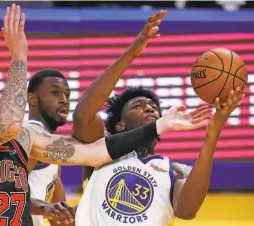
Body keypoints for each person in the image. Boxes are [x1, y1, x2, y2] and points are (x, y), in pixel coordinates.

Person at [0, 5, 212, 226]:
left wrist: (159, 127)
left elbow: (93, 153)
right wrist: (19, 55)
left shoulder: (26, 137)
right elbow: (6, 126)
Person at [72, 10, 244, 226]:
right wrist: (130, 54)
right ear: (120, 124)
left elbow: (187, 210)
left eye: (154, 107)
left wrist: (213, 132)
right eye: (138, 105)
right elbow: (81, 116)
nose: (149, 109)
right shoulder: (99, 151)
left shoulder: (172, 170)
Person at [26, 69, 75, 226]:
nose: (64, 100)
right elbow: (5, 193)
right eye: (55, 93)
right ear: (33, 99)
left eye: (67, 95)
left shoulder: (50, 147)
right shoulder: (28, 136)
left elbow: (62, 220)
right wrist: (44, 208)